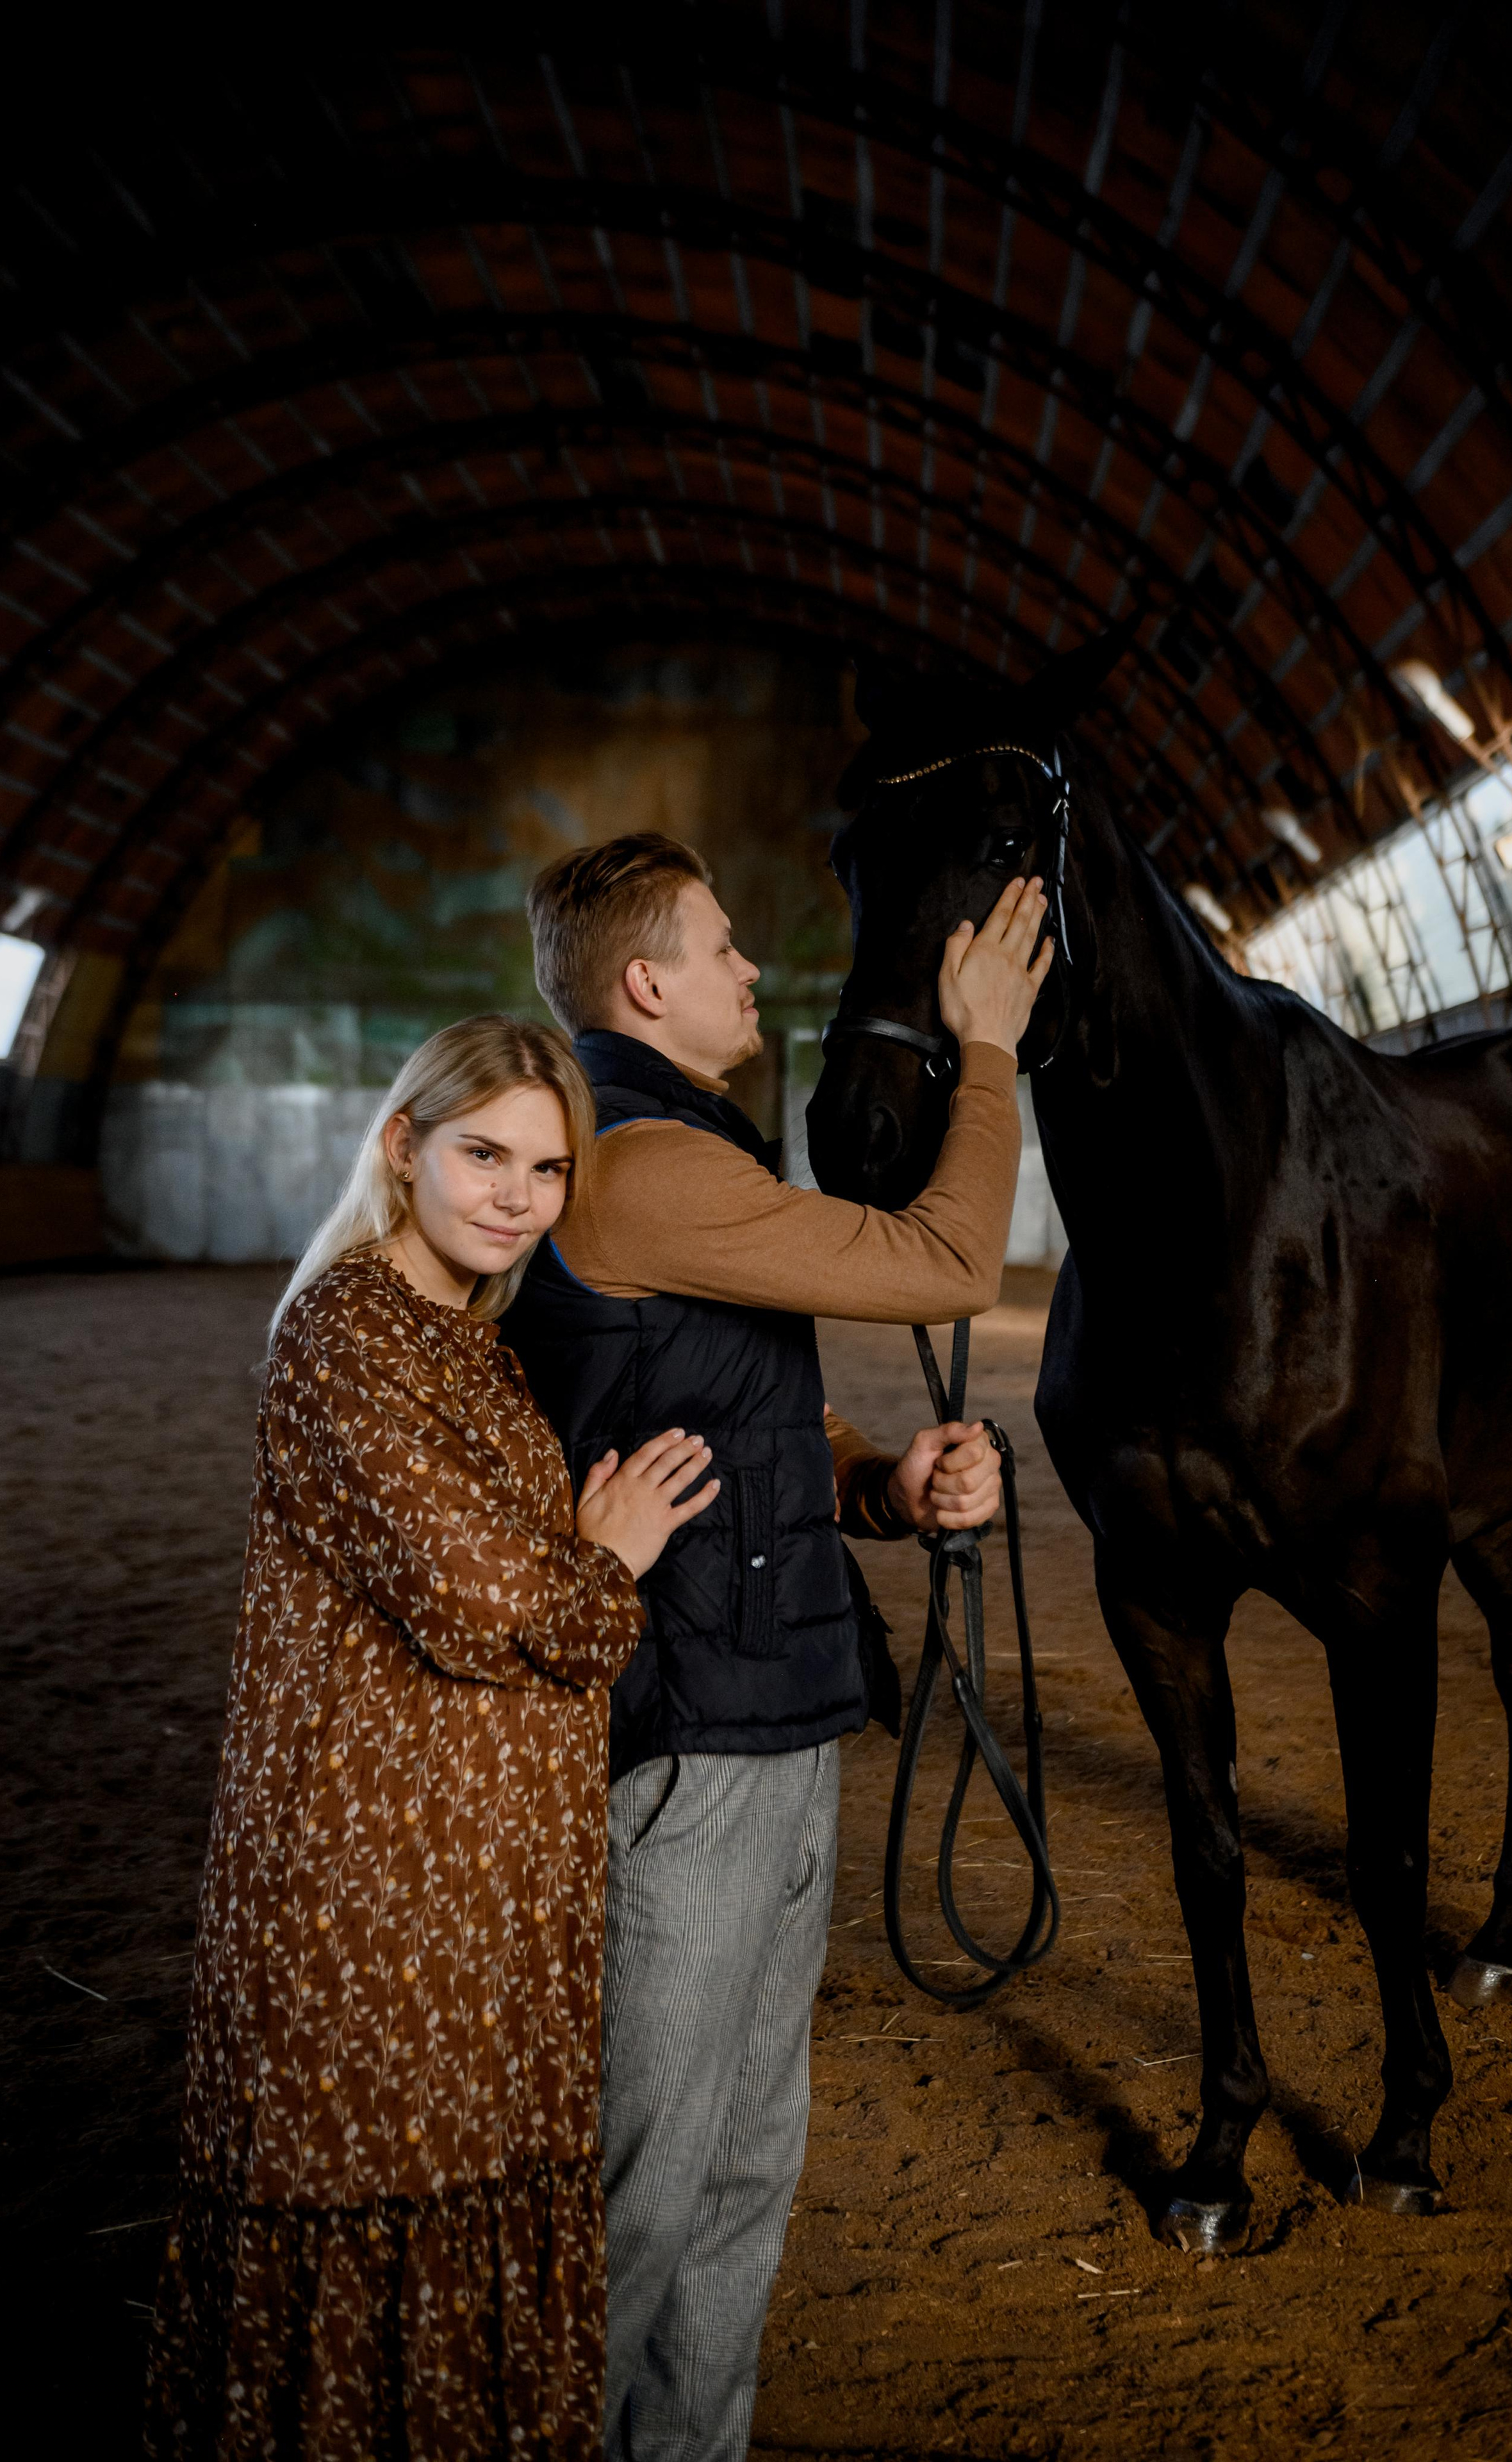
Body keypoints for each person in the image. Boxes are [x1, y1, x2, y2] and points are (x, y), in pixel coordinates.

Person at [504, 836, 1051, 2461]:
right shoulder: (644, 1161)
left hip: (767, 1712)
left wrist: (877, 1484)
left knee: (739, 2175)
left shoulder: (677, 1145)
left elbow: (733, 1406)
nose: (755, 973)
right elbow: (950, 1261)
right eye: (726, 947)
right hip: (692, 1744)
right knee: (645, 2196)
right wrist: (991, 1044)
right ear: (644, 984)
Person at [145, 1014, 720, 2462]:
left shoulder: (465, 1341)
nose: (516, 1194)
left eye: (544, 1166)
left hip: (470, 1887)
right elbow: (487, 1598)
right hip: (371, 1887)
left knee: (474, 2204)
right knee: (368, 2210)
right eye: (482, 1153)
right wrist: (611, 1560)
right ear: (402, 1147)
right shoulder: (347, 1331)